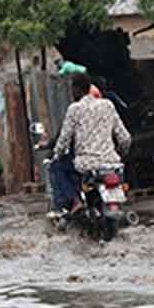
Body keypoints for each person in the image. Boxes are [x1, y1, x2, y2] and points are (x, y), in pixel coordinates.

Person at [50, 73, 132, 214]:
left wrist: (56, 154)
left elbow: (63, 140)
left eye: (72, 89)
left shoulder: (74, 109)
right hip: (111, 163)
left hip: (86, 164)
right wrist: (121, 153)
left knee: (56, 167)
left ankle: (75, 201)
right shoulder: (108, 105)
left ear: (77, 89)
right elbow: (125, 138)